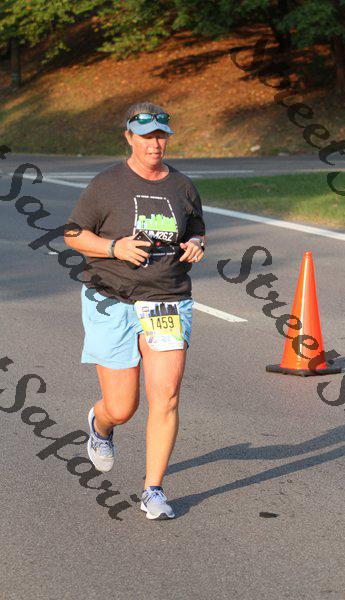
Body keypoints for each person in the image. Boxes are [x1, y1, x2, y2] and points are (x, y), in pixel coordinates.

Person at [63, 101, 206, 520]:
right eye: (146, 137)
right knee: (123, 406)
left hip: (167, 300)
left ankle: (153, 490)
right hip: (112, 300)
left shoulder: (182, 186)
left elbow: (196, 229)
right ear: (129, 138)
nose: (154, 144)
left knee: (167, 396)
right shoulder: (107, 184)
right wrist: (114, 247)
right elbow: (73, 234)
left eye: (161, 136)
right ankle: (101, 424)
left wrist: (197, 244)